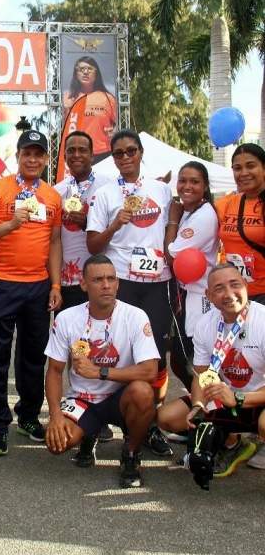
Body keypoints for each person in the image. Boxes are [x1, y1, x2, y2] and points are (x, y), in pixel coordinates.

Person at [0, 129, 62, 456]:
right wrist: (11, 223)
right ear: (18, 155)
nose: (33, 159)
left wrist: (55, 284)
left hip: (38, 287)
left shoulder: (51, 196)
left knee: (33, 357)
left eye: (39, 154)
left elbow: (54, 242)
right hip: (1, 283)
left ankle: (28, 415)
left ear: (45, 159)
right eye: (28, 152)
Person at [86, 129, 173, 457]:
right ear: (113, 157)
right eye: (119, 153)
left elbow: (174, 215)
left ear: (140, 152)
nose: (125, 158)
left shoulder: (161, 190)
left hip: (156, 284)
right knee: (117, 352)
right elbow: (93, 244)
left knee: (154, 356)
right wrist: (114, 225)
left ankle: (147, 424)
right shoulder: (106, 195)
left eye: (131, 151)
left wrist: (171, 241)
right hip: (121, 283)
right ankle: (103, 416)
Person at [45, 255, 159, 488]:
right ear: (84, 285)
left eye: (111, 279)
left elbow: (150, 371)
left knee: (143, 392)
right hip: (82, 399)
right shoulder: (67, 318)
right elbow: (54, 371)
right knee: (56, 444)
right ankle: (89, 434)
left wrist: (100, 372)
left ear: (118, 283)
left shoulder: (136, 316)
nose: (106, 285)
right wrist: (55, 414)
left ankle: (130, 454)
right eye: (97, 279)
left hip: (119, 399)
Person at [157, 264, 265, 477]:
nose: (228, 294)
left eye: (234, 285)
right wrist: (197, 404)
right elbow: (200, 373)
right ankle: (234, 445)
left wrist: (238, 398)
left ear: (245, 285)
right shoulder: (205, 324)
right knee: (166, 417)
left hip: (256, 400)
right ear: (209, 295)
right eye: (219, 288)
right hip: (226, 399)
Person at [54, 131, 112, 441]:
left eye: (83, 150)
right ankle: (78, 404)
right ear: (65, 155)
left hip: (99, 279)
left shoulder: (106, 187)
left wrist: (88, 217)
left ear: (93, 154)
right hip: (67, 281)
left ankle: (100, 411)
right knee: (71, 347)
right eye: (71, 150)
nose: (77, 155)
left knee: (101, 346)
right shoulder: (57, 190)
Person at [164, 162, 219, 392]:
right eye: (182, 181)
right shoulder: (191, 211)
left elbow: (170, 255)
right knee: (179, 359)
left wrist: (173, 219)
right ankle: (203, 408)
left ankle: (213, 412)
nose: (187, 186)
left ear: (205, 186)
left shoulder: (203, 216)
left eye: (194, 182)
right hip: (184, 295)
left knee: (194, 360)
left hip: (199, 296)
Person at [216, 143, 265, 305]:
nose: (244, 173)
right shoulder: (228, 204)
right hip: (236, 295)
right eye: (237, 168)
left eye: (250, 166)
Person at [62, 56, 117, 164]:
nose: (86, 72)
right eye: (81, 69)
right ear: (76, 73)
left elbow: (117, 125)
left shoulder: (108, 98)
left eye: (90, 69)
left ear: (96, 73)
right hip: (78, 155)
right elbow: (65, 131)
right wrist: (66, 111)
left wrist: (115, 131)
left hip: (104, 154)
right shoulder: (67, 98)